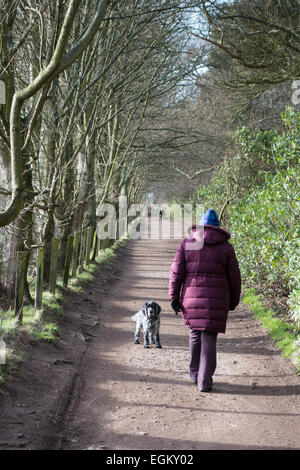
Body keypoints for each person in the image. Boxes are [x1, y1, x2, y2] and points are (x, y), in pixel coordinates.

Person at [169, 209, 241, 392]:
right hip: (217, 300)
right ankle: (205, 381)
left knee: (195, 334)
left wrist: (174, 297)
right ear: (218, 227)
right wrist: (233, 301)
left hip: (191, 299)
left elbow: (176, 273)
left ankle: (194, 374)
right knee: (209, 336)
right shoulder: (226, 247)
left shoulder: (187, 244)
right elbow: (235, 278)